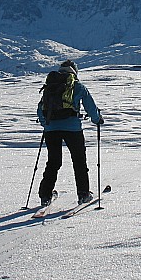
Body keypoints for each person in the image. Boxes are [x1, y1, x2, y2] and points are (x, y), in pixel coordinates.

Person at [37, 60, 104, 206]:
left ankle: (45, 195)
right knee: (79, 161)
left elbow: (41, 108)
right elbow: (90, 107)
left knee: (53, 162)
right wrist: (97, 119)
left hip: (51, 130)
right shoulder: (77, 86)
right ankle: (83, 194)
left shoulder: (50, 85)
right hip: (73, 129)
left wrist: (46, 124)